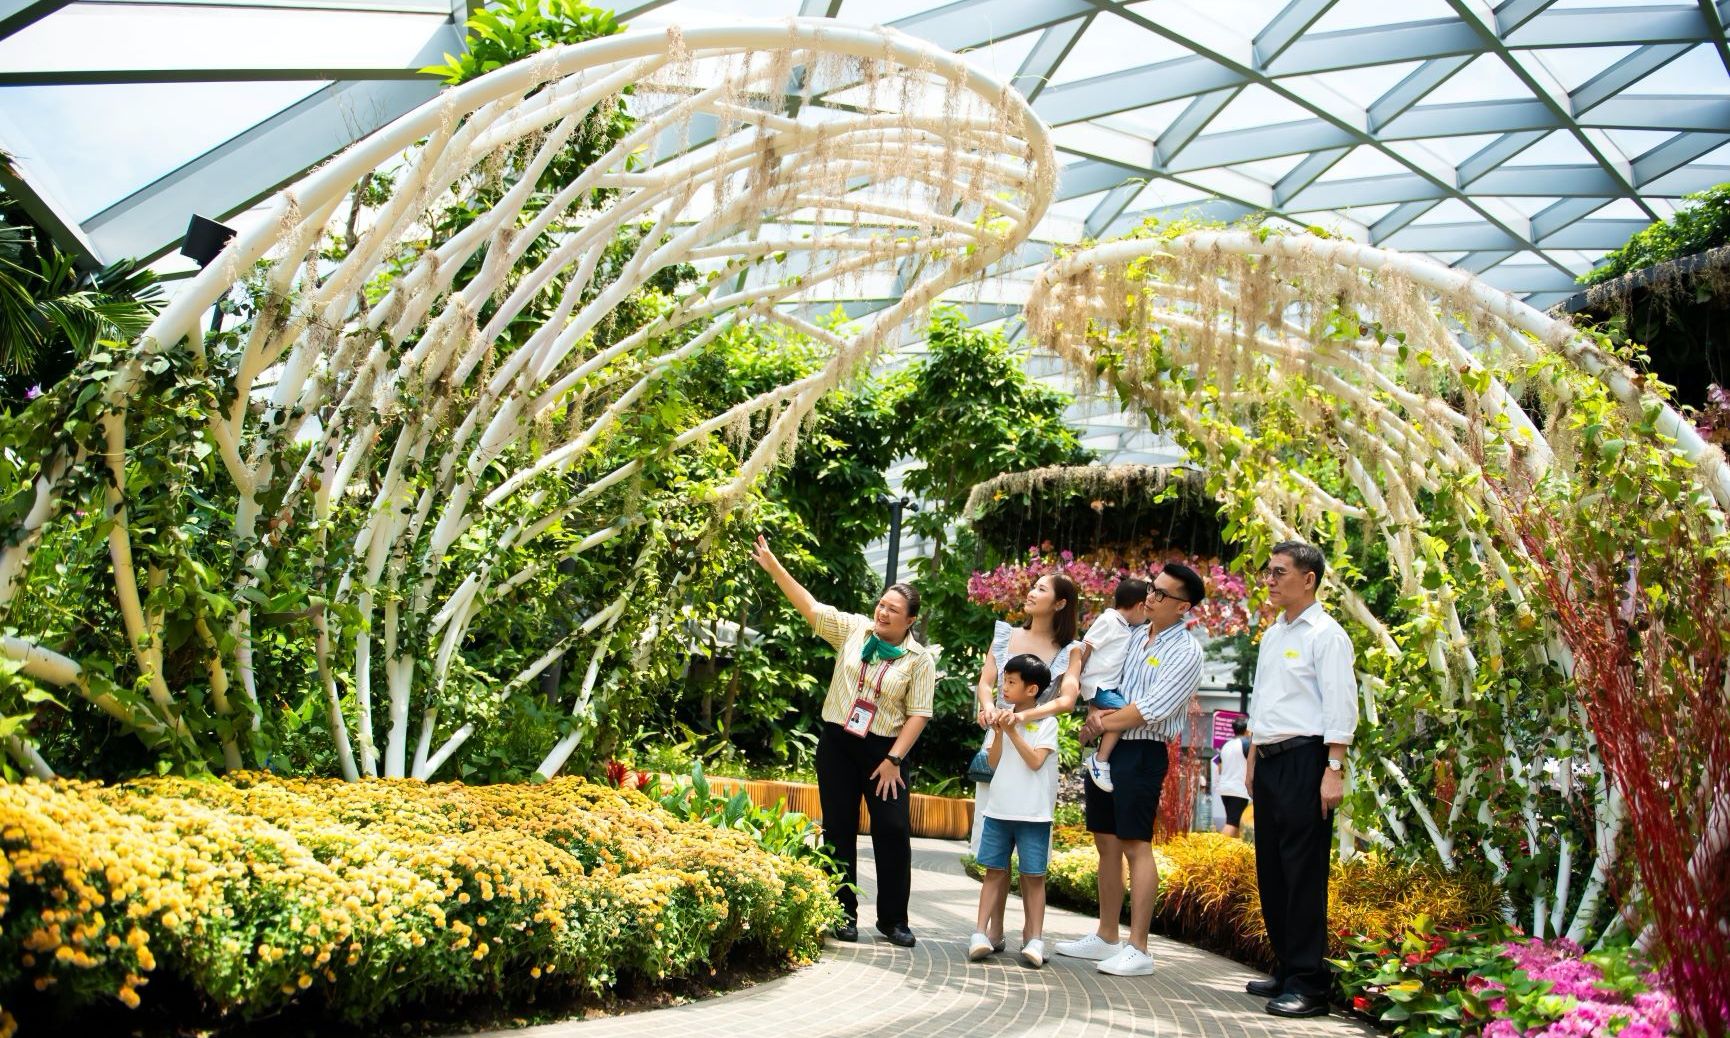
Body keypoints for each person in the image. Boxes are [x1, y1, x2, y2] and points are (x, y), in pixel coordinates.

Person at [751, 534, 935, 948]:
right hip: (838, 743)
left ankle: (893, 921)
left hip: (886, 751)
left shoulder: (918, 659)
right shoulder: (854, 630)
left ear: (909, 621)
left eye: (893, 610)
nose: (882, 612)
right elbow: (812, 608)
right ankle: (841, 913)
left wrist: (892, 760)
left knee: (892, 829)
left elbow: (919, 712)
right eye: (882, 604)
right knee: (838, 828)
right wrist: (774, 567)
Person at [1055, 563, 1206, 977]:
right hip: (1111, 749)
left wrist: (1101, 722)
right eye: (1153, 590)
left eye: (1162, 594)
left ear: (1183, 607)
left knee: (1135, 843)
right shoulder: (1135, 634)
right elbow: (1103, 679)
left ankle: (1138, 947)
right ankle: (1106, 935)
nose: (1151, 598)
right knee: (1105, 840)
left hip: (1143, 753)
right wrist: (1093, 713)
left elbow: (1153, 708)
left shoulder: (1186, 651)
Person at [1241, 540, 1358, 1018]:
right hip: (1268, 760)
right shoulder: (1274, 634)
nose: (1269, 580)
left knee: (1304, 872)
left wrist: (1333, 769)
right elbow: (1264, 701)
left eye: (1279, 572)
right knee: (1272, 867)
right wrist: (1251, 756)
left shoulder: (1326, 635)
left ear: (1308, 579)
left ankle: (1310, 983)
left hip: (1307, 761)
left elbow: (1340, 705)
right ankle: (1288, 968)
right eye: (1268, 572)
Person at [969, 572, 1077, 859]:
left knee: (1032, 851)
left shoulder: (1070, 650)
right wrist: (990, 708)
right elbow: (985, 683)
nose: (1031, 592)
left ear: (1060, 603)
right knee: (991, 845)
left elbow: (1067, 699)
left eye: (1041, 589)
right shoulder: (1005, 635)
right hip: (999, 737)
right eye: (1033, 586)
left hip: (1037, 744)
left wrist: (1024, 717)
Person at [969, 653, 1060, 969]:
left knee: (1033, 877)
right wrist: (997, 732)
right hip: (999, 810)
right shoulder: (1002, 719)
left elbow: (1036, 762)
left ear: (1031, 689)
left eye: (1010, 682)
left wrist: (1011, 732)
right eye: (1004, 681)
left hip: (1033, 815)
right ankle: (980, 934)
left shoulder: (1047, 723)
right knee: (993, 873)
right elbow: (992, 763)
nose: (1003, 688)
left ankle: (1034, 939)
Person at [1065, 577, 1151, 792]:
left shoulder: (1126, 627)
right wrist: (1073, 679)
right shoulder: (1109, 621)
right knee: (1125, 713)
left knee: (1117, 715)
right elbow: (1086, 648)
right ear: (1141, 606)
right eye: (1148, 608)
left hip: (1107, 685)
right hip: (1099, 685)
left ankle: (1089, 736)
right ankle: (1100, 759)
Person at [1216, 716, 1251, 838]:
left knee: (1233, 822)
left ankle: (1231, 854)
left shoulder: (1226, 745)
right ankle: (1218, 851)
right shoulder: (1246, 743)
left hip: (1225, 788)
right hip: (1238, 789)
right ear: (1247, 730)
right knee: (1232, 823)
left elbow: (1220, 768)